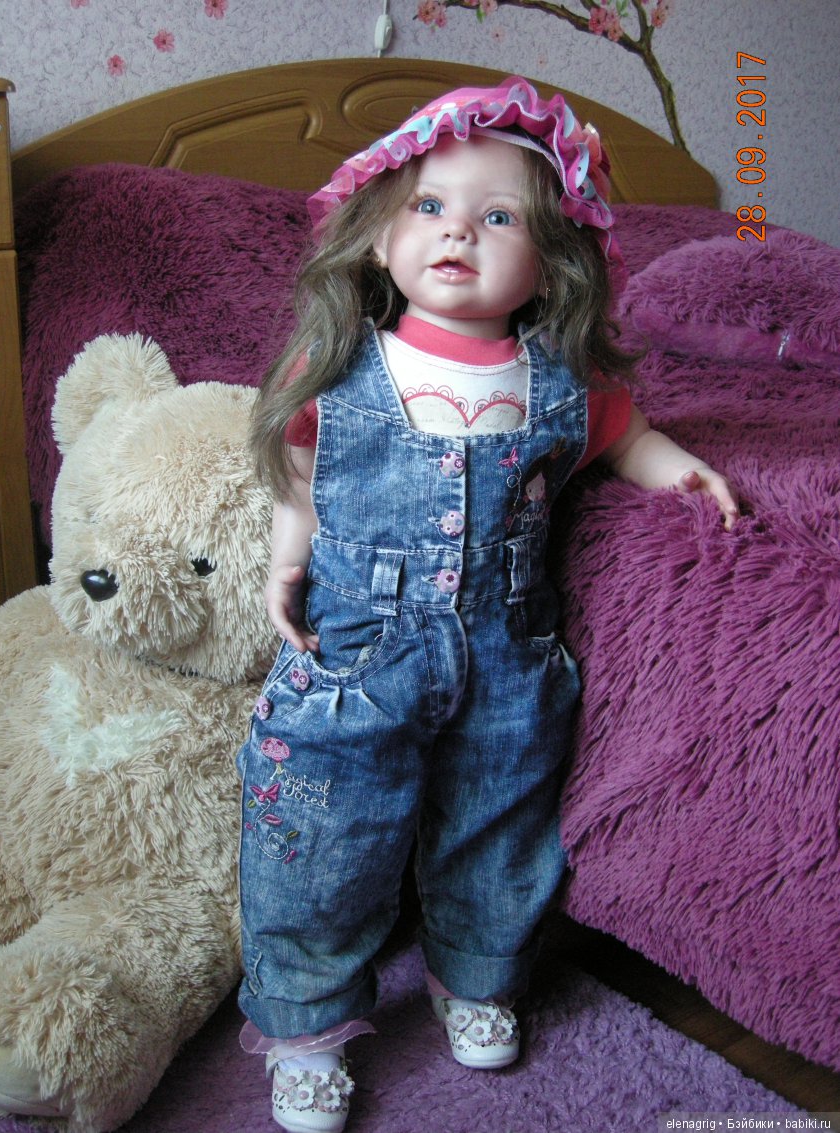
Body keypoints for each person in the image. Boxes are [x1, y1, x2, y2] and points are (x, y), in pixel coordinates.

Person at [237, 77, 738, 1133]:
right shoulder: (346, 363)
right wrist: (289, 552)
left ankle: (473, 973)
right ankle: (308, 1025)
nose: (458, 230)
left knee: (499, 829)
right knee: (320, 842)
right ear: (379, 235)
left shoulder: (557, 378)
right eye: (429, 206)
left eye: (498, 216)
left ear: (550, 260)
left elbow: (626, 435)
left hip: (507, 652)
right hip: (356, 655)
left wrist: (676, 468)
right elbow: (300, 459)